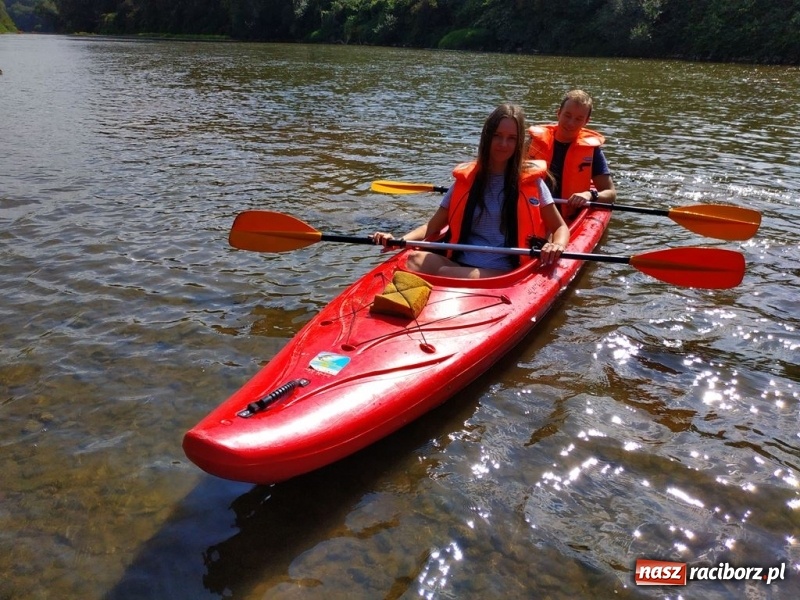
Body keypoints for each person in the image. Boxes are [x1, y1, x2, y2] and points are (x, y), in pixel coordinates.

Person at [372, 103, 569, 279]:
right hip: (459, 263)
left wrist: (557, 245)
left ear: (518, 144)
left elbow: (560, 228)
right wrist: (399, 240)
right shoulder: (467, 180)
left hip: (505, 272)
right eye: (497, 136)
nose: (503, 144)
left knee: (446, 273)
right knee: (413, 259)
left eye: (511, 138)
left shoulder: (532, 184)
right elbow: (432, 226)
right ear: (487, 137)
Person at [528, 89, 616, 220]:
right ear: (558, 113)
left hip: (569, 216)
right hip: (534, 211)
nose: (571, 123)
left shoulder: (592, 151)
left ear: (586, 121)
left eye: (578, 119)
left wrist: (589, 195)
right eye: (567, 116)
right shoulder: (532, 143)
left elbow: (611, 193)